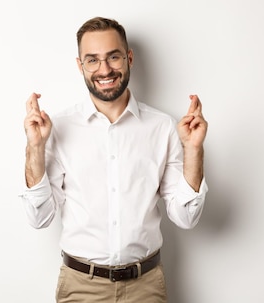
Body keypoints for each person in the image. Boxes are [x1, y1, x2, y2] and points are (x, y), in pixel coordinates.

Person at [20, 16, 208, 302]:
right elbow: (39, 217)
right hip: (80, 287)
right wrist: (35, 148)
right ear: (80, 66)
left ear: (129, 58)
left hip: (146, 287)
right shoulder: (56, 129)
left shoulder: (162, 127)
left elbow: (185, 217)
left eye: (113, 57)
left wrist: (194, 150)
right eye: (92, 60)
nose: (104, 69)